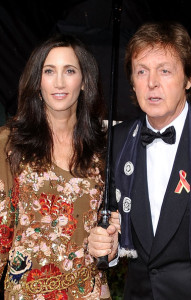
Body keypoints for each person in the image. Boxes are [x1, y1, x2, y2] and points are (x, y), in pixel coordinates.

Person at [88, 21, 191, 299]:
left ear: (188, 78)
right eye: (141, 71)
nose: (152, 83)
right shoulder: (117, 140)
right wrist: (108, 244)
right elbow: (111, 217)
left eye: (165, 70)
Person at [0, 33, 119, 299]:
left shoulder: (104, 149)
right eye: (49, 71)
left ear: (85, 80)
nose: (59, 82)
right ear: (37, 80)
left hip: (90, 291)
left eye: (70, 71)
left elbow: (113, 223)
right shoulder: (9, 143)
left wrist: (112, 243)